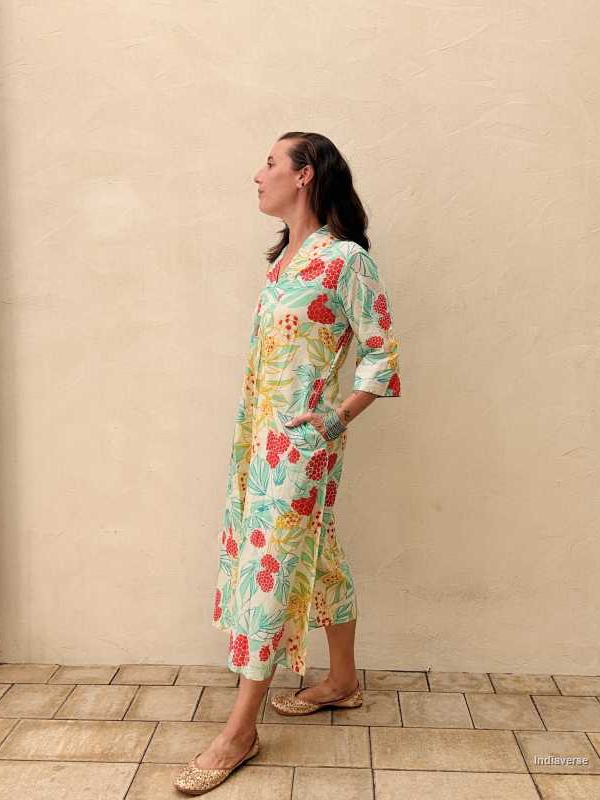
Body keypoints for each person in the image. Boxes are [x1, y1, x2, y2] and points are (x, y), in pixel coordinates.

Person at [174, 131, 401, 795]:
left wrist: (336, 416)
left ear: (304, 175)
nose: (257, 173)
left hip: (299, 447)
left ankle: (239, 729)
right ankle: (343, 681)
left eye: (270, 162)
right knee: (317, 554)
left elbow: (382, 351)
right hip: (258, 442)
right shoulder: (285, 261)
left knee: (269, 570)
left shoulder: (345, 259)